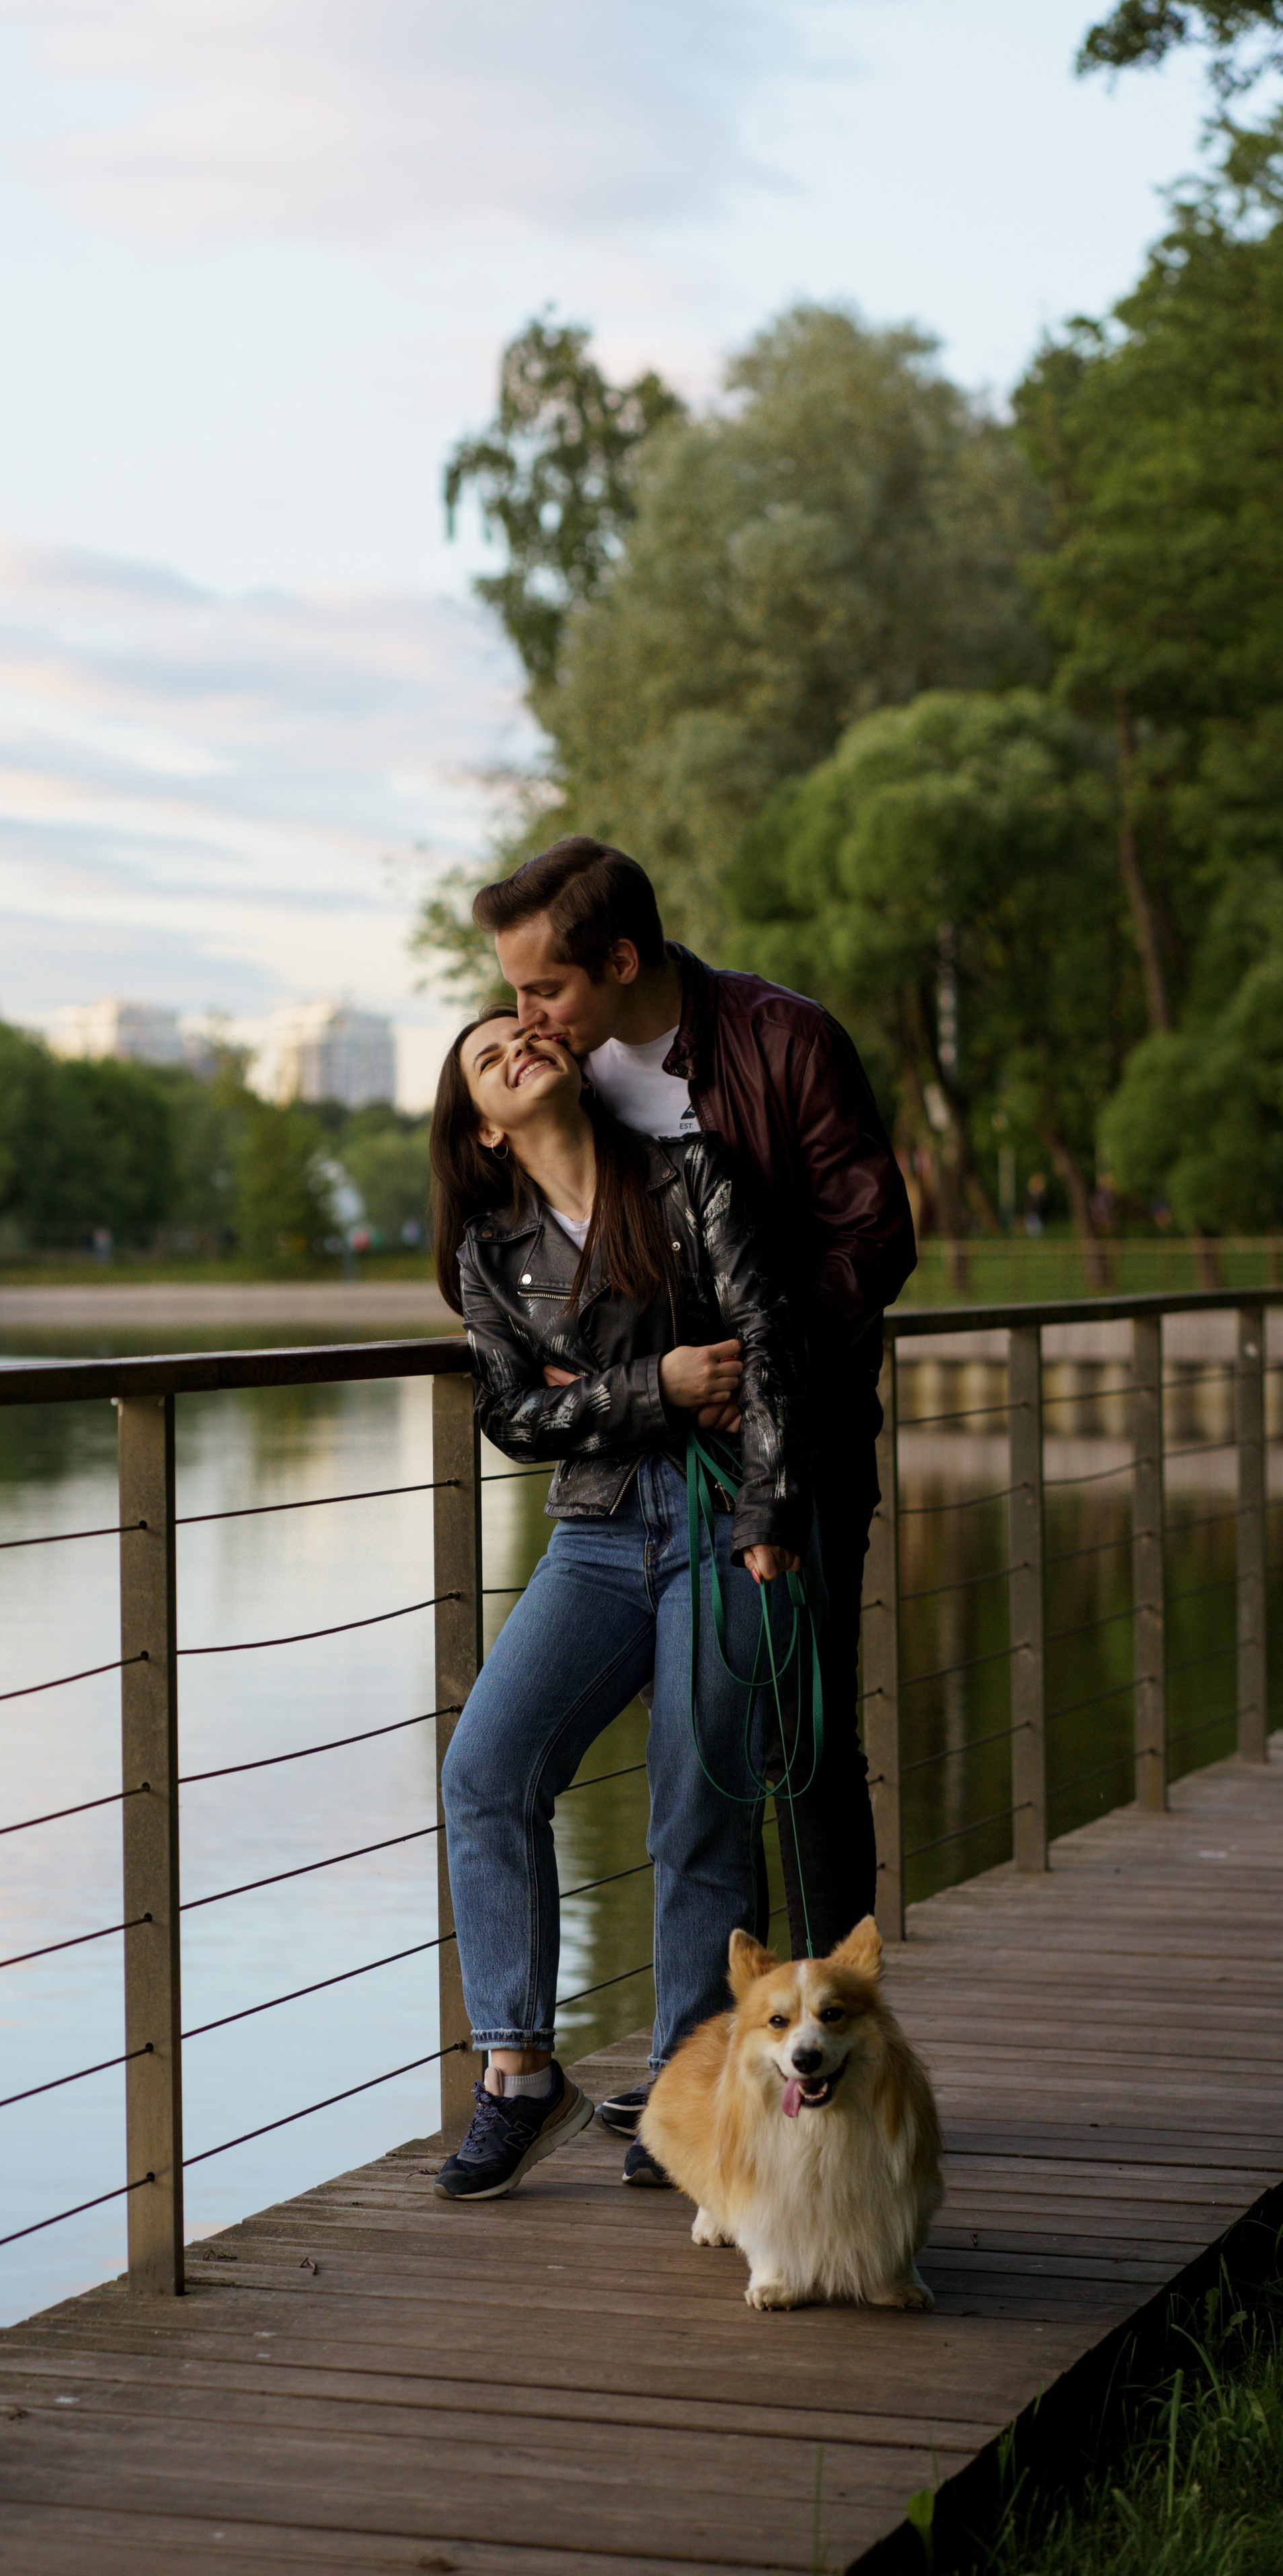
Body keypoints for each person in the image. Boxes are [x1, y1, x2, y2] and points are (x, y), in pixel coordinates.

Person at [468, 835, 916, 2151]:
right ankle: (698, 2070)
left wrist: (756, 1368)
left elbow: (869, 1234)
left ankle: (843, 2065)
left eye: (542, 988)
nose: (520, 1016)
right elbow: (507, 1260)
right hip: (626, 1478)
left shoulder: (780, 1042)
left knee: (798, 1751)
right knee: (653, 1778)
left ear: (618, 961)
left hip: (792, 1455)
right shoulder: (550, 1070)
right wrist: (645, 1382)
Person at [428, 1011, 812, 2200]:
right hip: (597, 1529)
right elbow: (510, 1416)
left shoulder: (689, 1178)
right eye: (489, 1059)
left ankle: (686, 2085)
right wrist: (656, 1384)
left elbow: (768, 1345)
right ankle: (519, 2077)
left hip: (719, 1526)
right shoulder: (488, 1253)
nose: (517, 1049)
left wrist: (766, 1519)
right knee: (487, 1773)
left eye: (526, 1034)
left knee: (698, 1804)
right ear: (487, 1127)